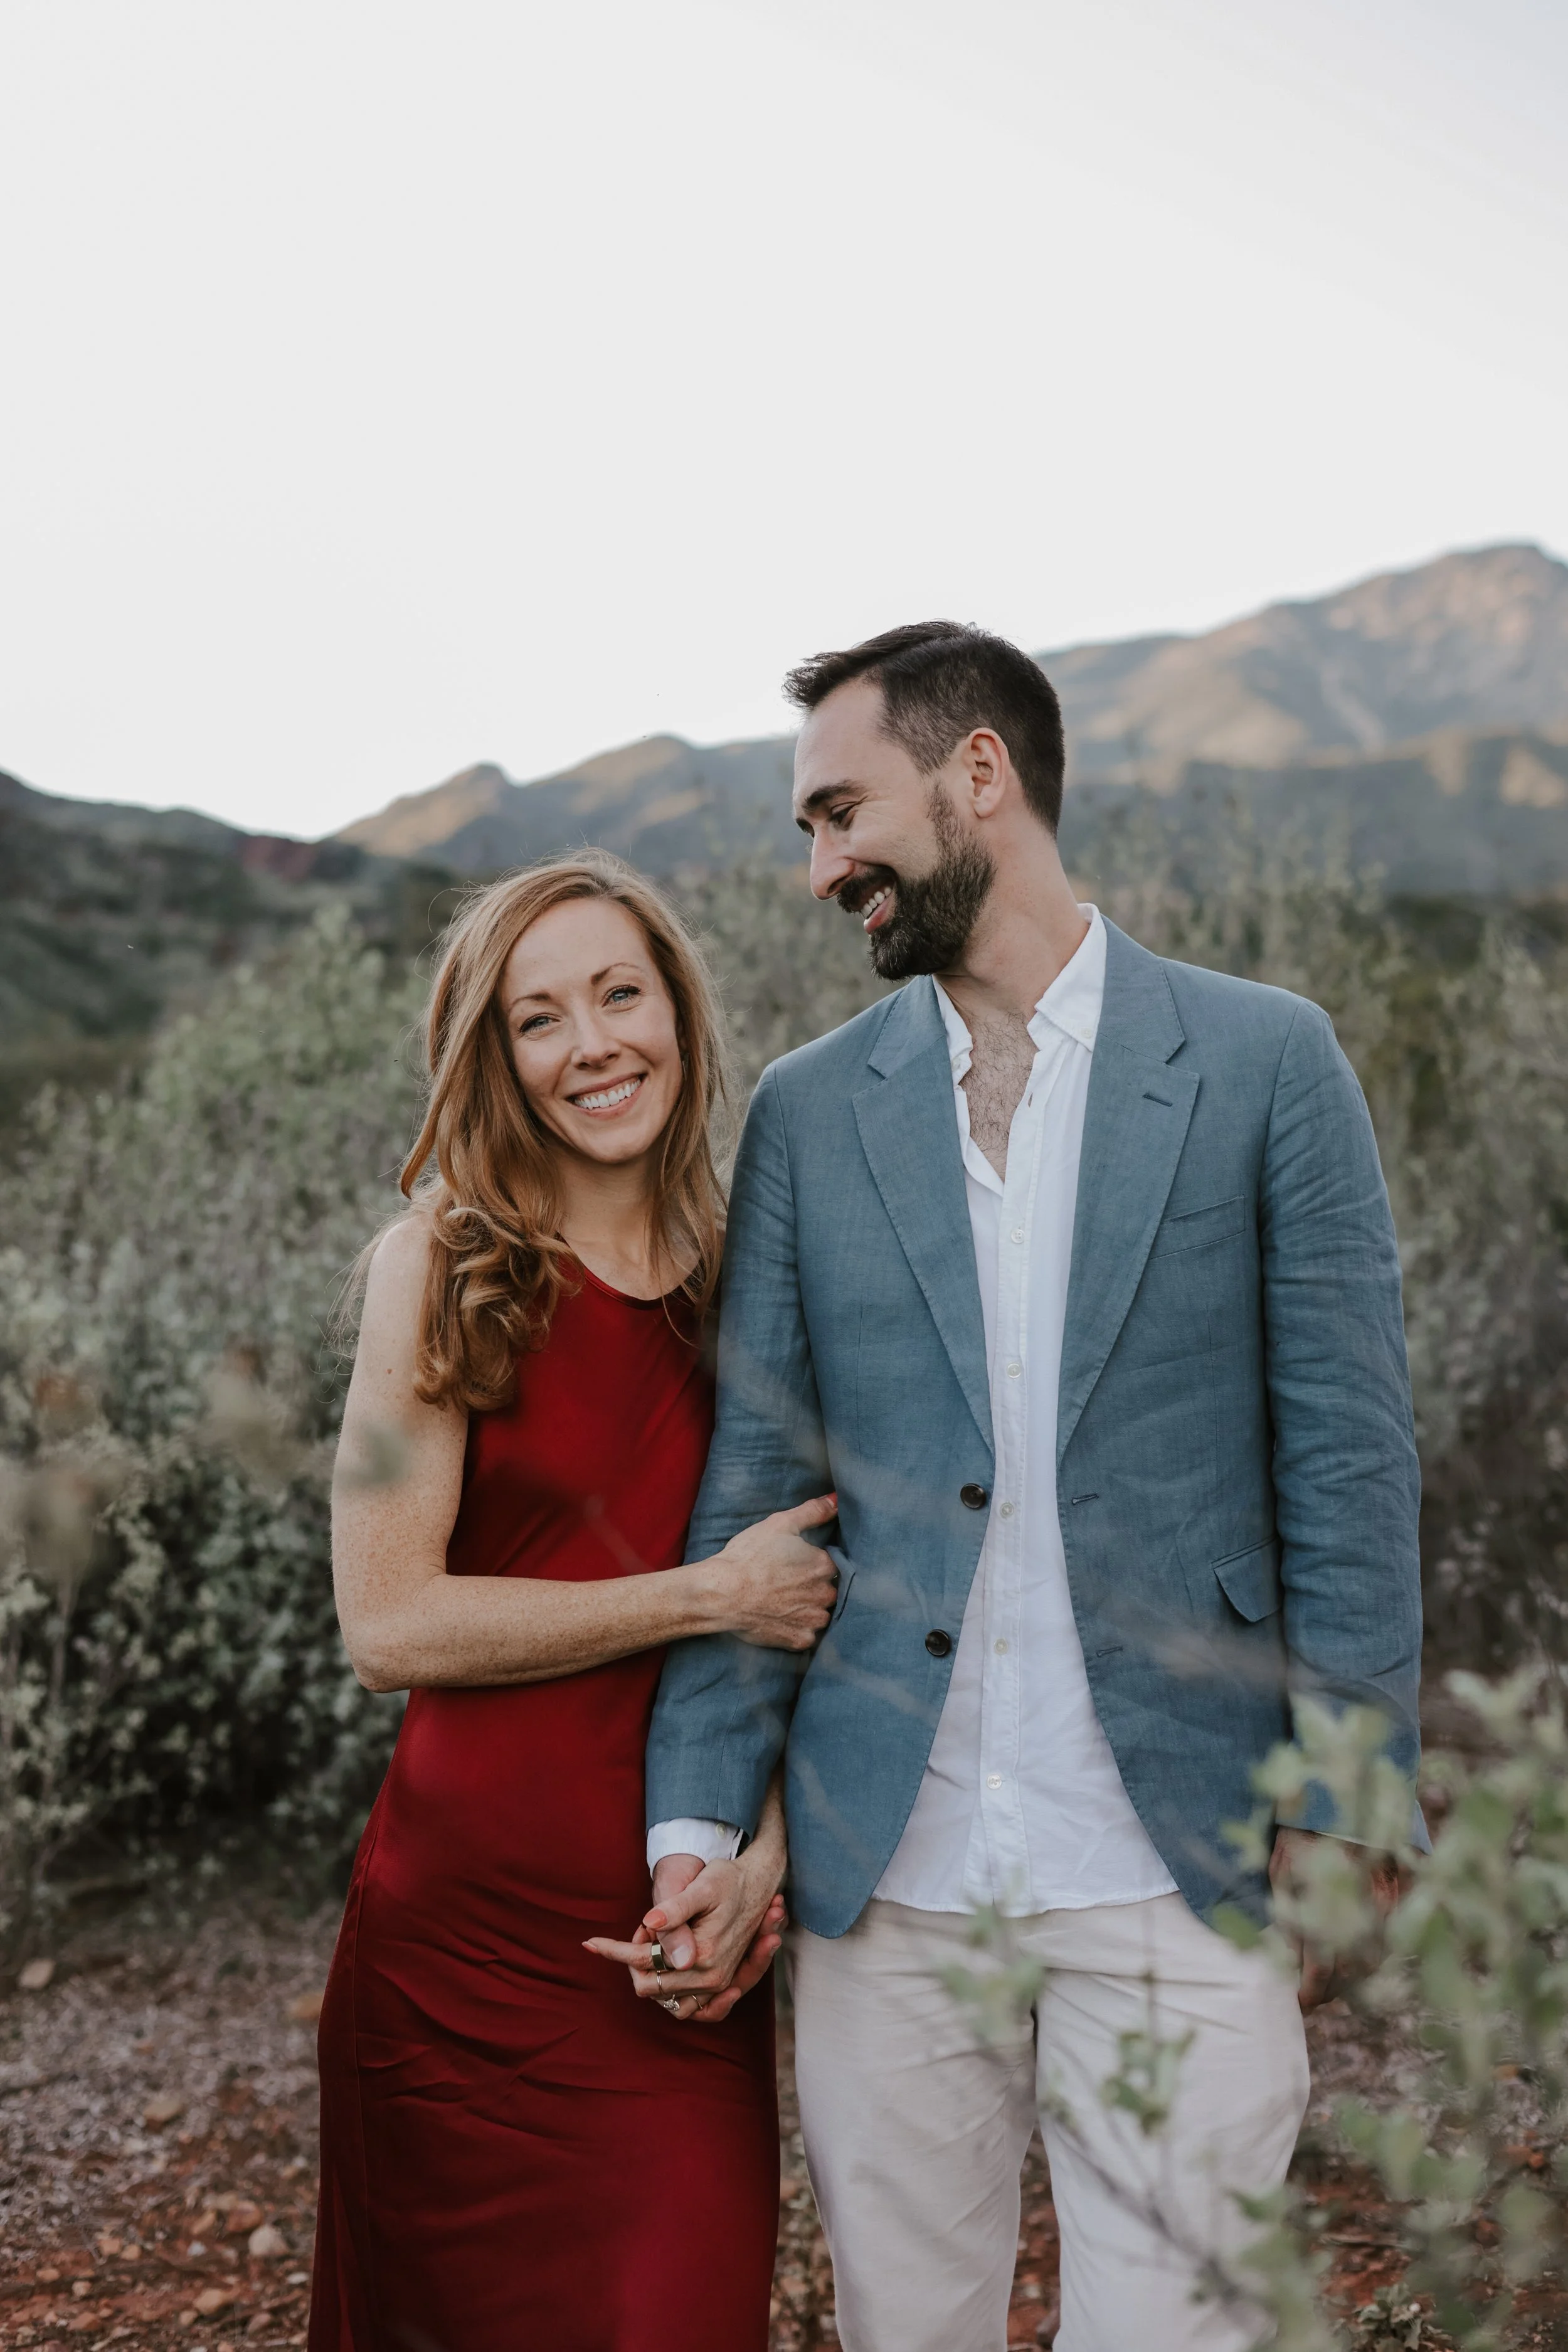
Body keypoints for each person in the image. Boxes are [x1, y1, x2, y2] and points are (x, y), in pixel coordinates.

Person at [622, 625, 1423, 2352]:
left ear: (976, 771)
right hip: (880, 1866)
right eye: (803, 830)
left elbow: (1350, 1456)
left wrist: (1349, 1807)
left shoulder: (1266, 1059)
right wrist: (695, 1825)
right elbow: (753, 1489)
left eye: (840, 811)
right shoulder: (807, 1113)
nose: (821, 864)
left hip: (1178, 1856)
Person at [308, 854, 838, 2352]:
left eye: (620, 993)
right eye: (540, 1019)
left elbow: (820, 1618)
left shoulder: (761, 1285)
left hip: (671, 1944)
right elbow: (388, 1625)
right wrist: (700, 1593)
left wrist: (762, 1870)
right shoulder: (439, 1268)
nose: (592, 1044)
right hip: (454, 1949)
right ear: (496, 1056)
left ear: (680, 1007)